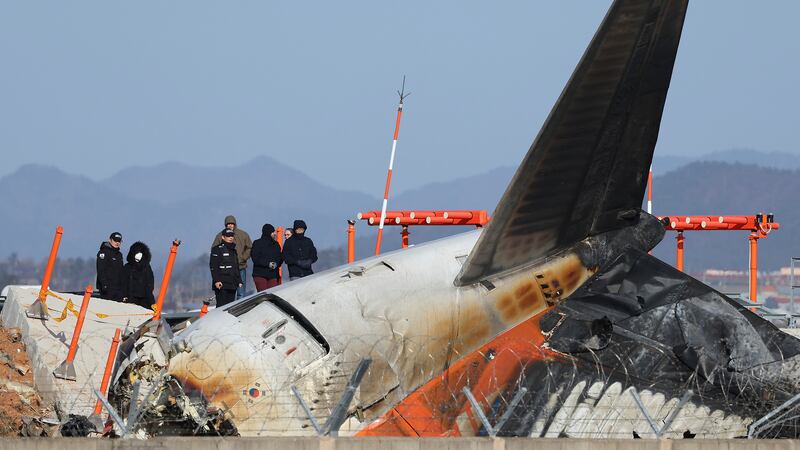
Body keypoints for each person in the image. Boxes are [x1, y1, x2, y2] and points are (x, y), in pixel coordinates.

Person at [212, 215, 252, 299]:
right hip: (226, 271)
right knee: (229, 293)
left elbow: (250, 247)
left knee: (241, 293)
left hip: (240, 267)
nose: (230, 225)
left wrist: (243, 258)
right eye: (228, 224)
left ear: (235, 224)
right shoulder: (220, 236)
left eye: (232, 223)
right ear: (225, 225)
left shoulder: (243, 234)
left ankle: (240, 309)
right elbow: (214, 249)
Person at [210, 228, 242, 307]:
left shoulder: (233, 250)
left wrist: (239, 280)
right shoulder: (216, 249)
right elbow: (213, 266)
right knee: (221, 307)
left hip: (232, 283)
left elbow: (236, 266)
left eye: (232, 236)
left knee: (230, 307)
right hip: (221, 283)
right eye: (228, 236)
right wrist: (216, 280)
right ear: (223, 237)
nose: (231, 237)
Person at [122, 241, 155, 309]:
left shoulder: (146, 268)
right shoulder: (127, 267)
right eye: (136, 253)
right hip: (130, 300)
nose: (137, 256)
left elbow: (149, 285)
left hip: (144, 300)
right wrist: (124, 296)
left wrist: (152, 302)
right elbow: (123, 283)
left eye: (139, 253)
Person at [251, 224, 283, 292]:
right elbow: (255, 258)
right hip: (260, 274)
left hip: (273, 274)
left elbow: (279, 257)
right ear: (268, 232)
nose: (274, 234)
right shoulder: (257, 243)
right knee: (263, 294)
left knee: (272, 294)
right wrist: (268, 264)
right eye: (272, 232)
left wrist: (276, 264)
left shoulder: (276, 244)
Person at [96, 232, 125, 301]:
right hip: (107, 289)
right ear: (110, 240)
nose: (117, 243)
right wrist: (104, 285)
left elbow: (121, 271)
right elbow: (100, 270)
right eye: (115, 241)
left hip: (118, 289)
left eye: (119, 241)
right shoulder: (103, 252)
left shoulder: (119, 255)